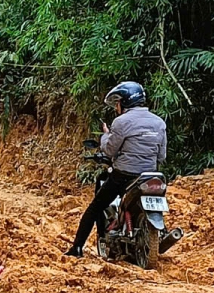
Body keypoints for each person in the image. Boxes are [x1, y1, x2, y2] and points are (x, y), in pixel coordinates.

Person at [67, 81, 166, 257]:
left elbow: (110, 149)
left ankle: (77, 248)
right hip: (150, 175)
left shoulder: (121, 122)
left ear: (125, 102)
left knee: (95, 207)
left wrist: (106, 135)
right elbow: (161, 156)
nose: (116, 107)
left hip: (124, 176)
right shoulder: (159, 122)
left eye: (117, 103)